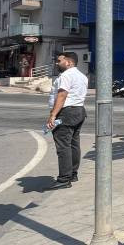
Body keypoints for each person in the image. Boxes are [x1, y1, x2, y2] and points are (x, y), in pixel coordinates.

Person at [46, 52, 88, 187]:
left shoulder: (66, 75)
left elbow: (62, 95)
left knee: (63, 146)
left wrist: (53, 115)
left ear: (69, 62)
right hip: (79, 111)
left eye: (59, 61)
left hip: (66, 112)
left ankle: (64, 179)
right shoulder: (82, 76)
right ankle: (73, 174)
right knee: (74, 144)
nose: (57, 63)